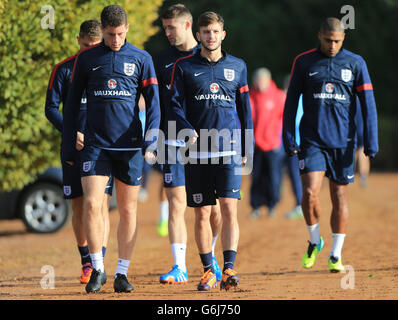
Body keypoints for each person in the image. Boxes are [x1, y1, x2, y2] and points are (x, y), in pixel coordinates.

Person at [63, 5, 160, 293]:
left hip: (129, 146)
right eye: (110, 34)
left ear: (127, 29)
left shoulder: (141, 58)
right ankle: (98, 268)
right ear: (102, 30)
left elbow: (154, 102)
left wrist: (151, 138)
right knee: (93, 204)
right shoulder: (86, 59)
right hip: (95, 146)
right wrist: (70, 144)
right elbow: (70, 107)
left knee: (128, 210)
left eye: (120, 34)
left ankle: (122, 272)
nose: (116, 40)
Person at [283, 17, 378, 273]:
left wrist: (371, 140)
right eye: (328, 40)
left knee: (339, 196)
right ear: (320, 36)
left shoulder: (356, 63)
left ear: (343, 38)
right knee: (310, 192)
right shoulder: (304, 62)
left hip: (344, 142)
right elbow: (291, 101)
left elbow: (368, 104)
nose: (332, 45)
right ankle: (314, 240)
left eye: (337, 40)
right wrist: (289, 136)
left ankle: (335, 254)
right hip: (312, 139)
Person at [168, 11, 253, 291]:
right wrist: (186, 127)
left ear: (222, 34)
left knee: (229, 208)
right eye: (206, 32)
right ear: (199, 35)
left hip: (228, 148)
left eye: (215, 31)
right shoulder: (183, 67)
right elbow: (175, 105)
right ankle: (208, 270)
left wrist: (246, 146)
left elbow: (245, 111)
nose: (211, 36)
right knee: (202, 213)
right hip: (197, 150)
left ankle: (228, 269)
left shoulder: (238, 66)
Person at [154, 3, 223, 286]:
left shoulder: (206, 56)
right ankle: (179, 266)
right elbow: (153, 100)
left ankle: (211, 257)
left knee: (214, 208)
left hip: (205, 141)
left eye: (171, 27)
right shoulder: (159, 60)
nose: (167, 32)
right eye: (164, 27)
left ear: (187, 26)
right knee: (176, 202)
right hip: (170, 137)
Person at [45, 20, 113, 285]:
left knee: (99, 204)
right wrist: (72, 133)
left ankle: (100, 261)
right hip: (73, 147)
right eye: (86, 46)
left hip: (101, 146)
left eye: (95, 46)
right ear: (78, 41)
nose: (90, 51)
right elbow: (50, 108)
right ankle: (86, 261)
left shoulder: (109, 66)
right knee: (78, 204)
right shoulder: (63, 69)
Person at [248, 68, 285, 219]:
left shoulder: (278, 96)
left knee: (273, 177)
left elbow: (284, 119)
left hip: (273, 145)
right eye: (258, 80)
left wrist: (280, 139)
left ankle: (272, 205)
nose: (260, 83)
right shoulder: (250, 97)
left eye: (263, 80)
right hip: (255, 145)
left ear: (268, 80)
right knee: (256, 177)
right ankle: (256, 206)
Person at [282, 75, 304, 220]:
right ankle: (301, 205)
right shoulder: (304, 96)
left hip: (295, 142)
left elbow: (295, 121)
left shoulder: (293, 98)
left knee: (295, 175)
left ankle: (300, 205)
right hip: (302, 142)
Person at [354, 98, 371, 187]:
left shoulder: (348, 97)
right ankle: (363, 176)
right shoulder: (364, 98)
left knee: (352, 150)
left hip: (351, 128)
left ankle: (347, 174)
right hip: (362, 128)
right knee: (362, 150)